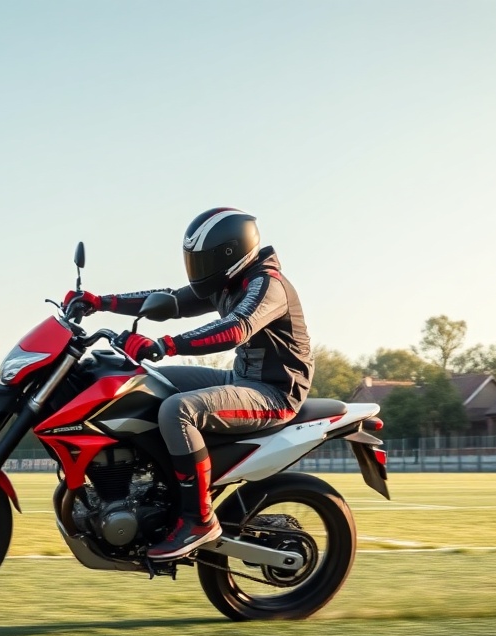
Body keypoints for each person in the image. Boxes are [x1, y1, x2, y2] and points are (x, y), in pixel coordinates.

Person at [63, 207, 314, 560]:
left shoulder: (267, 284)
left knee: (177, 410)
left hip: (275, 392)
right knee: (142, 382)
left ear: (231, 253)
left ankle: (198, 519)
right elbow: (172, 300)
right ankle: (149, 488)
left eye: (204, 260)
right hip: (242, 378)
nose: (197, 268)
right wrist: (100, 302)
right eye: (193, 260)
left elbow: (235, 328)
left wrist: (165, 345)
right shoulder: (226, 281)